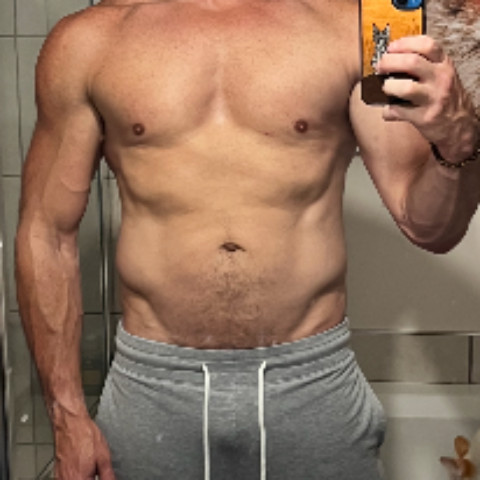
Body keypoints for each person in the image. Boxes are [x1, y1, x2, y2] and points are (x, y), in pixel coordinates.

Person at [14, 0, 480, 479]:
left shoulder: (355, 29)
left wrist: (458, 144)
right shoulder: (90, 41)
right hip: (153, 390)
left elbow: (429, 227)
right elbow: (46, 234)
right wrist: (66, 416)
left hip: (311, 386)